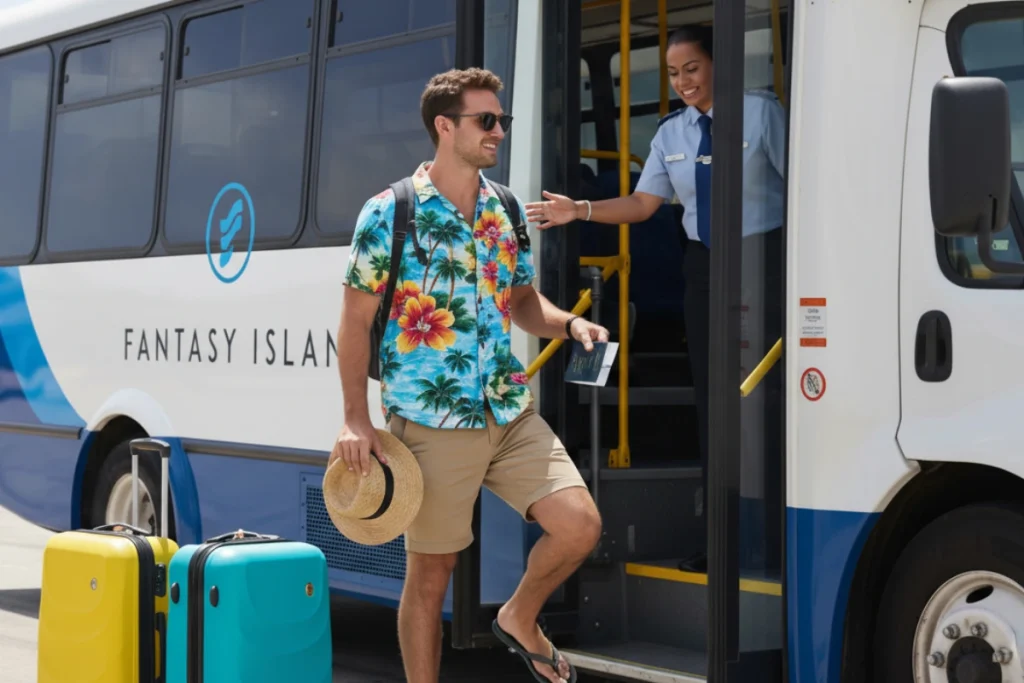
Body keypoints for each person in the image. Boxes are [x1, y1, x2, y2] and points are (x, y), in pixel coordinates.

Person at [331, 67, 608, 683]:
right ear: (445, 126)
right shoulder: (389, 212)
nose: (498, 132)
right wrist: (356, 419)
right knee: (432, 576)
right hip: (432, 420)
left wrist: (568, 326)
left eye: (501, 121)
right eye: (487, 121)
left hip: (508, 410)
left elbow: (521, 301)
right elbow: (354, 322)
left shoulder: (504, 207)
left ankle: (519, 615)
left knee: (580, 526)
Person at [525, 24, 786, 574]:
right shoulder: (672, 134)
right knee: (715, 405)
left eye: (691, 68)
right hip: (705, 268)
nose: (683, 81)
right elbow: (646, 204)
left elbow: (805, 187)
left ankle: (776, 540)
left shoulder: (761, 113)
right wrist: (582, 210)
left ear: (720, 63)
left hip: (765, 262)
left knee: (768, 402)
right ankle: (724, 543)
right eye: (672, 73)